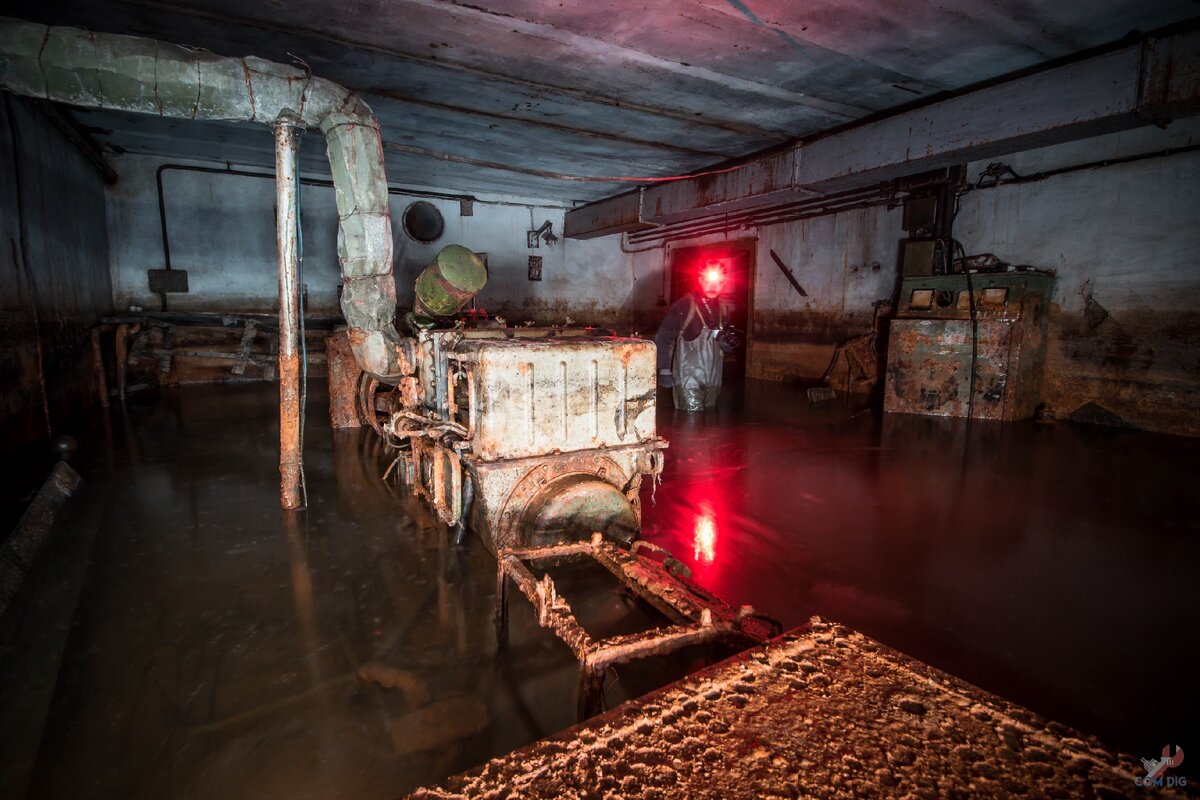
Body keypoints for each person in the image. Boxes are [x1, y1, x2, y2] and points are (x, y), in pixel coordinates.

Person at [654, 260, 740, 411]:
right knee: (691, 422)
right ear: (700, 280)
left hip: (713, 379)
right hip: (688, 379)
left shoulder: (723, 308)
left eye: (719, 282)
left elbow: (727, 342)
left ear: (724, 283)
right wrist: (664, 369)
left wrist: (728, 346)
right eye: (708, 281)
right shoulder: (685, 305)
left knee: (709, 420)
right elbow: (663, 337)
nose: (713, 286)